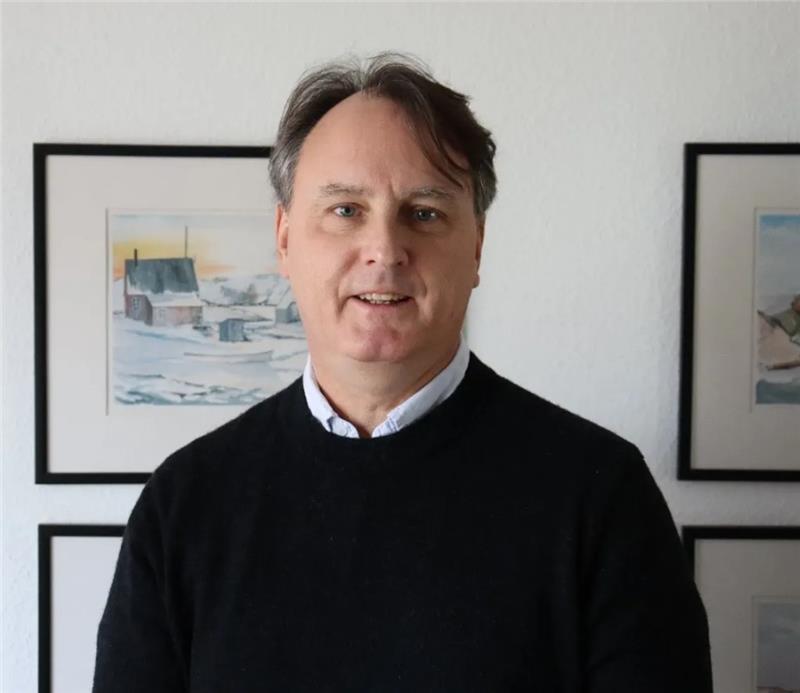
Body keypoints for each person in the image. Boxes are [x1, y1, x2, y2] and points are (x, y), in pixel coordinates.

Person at [93, 53, 712, 692]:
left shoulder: (602, 497)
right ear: (284, 238)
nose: (385, 250)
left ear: (477, 245)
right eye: (345, 210)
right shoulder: (184, 505)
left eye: (424, 212)